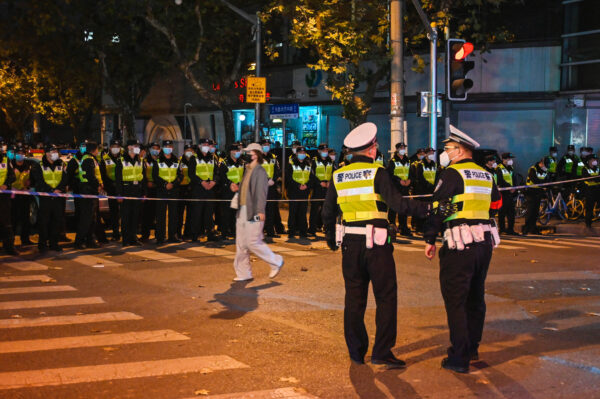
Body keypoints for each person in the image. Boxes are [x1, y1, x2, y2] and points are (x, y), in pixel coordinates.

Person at [322, 122, 435, 368]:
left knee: (354, 298)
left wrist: (332, 240)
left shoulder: (338, 175)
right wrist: (429, 208)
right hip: (377, 244)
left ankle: (356, 351)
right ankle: (382, 352)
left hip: (350, 243)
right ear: (372, 148)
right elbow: (399, 205)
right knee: (385, 297)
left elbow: (328, 211)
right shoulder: (378, 173)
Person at [423, 125, 502, 374]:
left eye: (447, 149)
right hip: (483, 242)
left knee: (456, 300)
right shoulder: (486, 174)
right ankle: (472, 347)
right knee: (475, 298)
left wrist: (429, 238)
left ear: (460, 150)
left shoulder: (451, 174)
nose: (444, 153)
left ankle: (458, 358)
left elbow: (438, 207)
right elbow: (497, 203)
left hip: (459, 243)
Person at [232, 143, 284, 281]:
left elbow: (261, 192)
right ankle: (244, 273)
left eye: (249, 153)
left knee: (253, 241)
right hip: (242, 210)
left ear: (256, 154)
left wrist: (260, 211)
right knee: (241, 244)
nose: (246, 155)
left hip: (253, 211)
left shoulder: (259, 171)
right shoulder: (248, 169)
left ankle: (276, 261)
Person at [32, 144, 67, 253]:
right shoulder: (39, 165)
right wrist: (50, 190)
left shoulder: (61, 164)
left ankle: (54, 243)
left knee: (56, 221)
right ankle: (42, 244)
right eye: (53, 151)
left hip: (58, 197)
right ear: (47, 153)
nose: (55, 153)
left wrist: (58, 189)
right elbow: (38, 181)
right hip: (46, 197)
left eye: (56, 151)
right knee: (44, 222)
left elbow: (65, 179)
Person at [189, 139, 220, 241]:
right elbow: (191, 174)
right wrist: (201, 182)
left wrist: (214, 182)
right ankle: (194, 235)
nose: (206, 146)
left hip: (210, 188)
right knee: (197, 213)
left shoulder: (212, 158)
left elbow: (217, 173)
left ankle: (210, 234)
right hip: (198, 188)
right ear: (199, 146)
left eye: (208, 144)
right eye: (204, 144)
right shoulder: (194, 158)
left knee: (209, 213)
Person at [115, 139, 144, 247]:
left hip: (136, 191)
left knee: (135, 216)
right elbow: (118, 179)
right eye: (134, 146)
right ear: (129, 147)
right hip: (125, 190)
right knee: (126, 216)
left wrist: (143, 193)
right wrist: (119, 194)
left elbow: (142, 177)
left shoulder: (139, 160)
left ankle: (133, 238)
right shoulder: (121, 160)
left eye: (137, 146)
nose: (137, 148)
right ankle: (125, 239)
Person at [75, 142, 103, 249]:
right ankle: (79, 241)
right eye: (97, 149)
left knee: (92, 218)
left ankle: (90, 240)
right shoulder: (88, 159)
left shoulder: (89, 158)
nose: (98, 151)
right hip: (88, 191)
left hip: (89, 191)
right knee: (86, 219)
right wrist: (98, 185)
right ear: (93, 150)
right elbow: (91, 176)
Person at [153, 140, 181, 245]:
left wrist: (173, 183)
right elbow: (155, 176)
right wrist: (165, 184)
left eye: (170, 146)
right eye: (166, 146)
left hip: (174, 190)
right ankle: (160, 237)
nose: (168, 148)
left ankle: (172, 235)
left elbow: (180, 175)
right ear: (162, 148)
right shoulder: (158, 161)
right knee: (161, 215)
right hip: (162, 191)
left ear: (172, 148)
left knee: (174, 214)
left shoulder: (177, 161)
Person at [219, 144, 245, 239]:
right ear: (230, 152)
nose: (237, 153)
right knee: (226, 213)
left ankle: (235, 232)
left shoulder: (242, 162)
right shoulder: (225, 163)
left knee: (237, 213)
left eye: (238, 151)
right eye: (235, 151)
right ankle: (224, 233)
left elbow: (245, 175)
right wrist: (230, 184)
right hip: (228, 191)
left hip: (239, 190)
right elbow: (222, 176)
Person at [286, 146, 312, 238]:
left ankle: (303, 231)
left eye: (304, 153)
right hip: (294, 191)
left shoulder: (308, 164)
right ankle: (291, 231)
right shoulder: (291, 164)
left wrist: (307, 185)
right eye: (300, 153)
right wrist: (298, 185)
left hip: (304, 192)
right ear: (296, 154)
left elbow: (311, 177)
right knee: (293, 212)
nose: (302, 154)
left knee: (303, 212)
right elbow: (288, 178)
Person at [386, 143, 412, 236]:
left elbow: (410, 172)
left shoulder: (408, 160)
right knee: (393, 209)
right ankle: (391, 227)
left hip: (405, 188)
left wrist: (409, 180)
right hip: (396, 188)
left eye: (404, 148)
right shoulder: (392, 161)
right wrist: (398, 180)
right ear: (397, 149)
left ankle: (403, 227)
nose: (403, 149)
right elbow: (389, 174)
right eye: (401, 148)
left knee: (404, 209)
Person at [261, 139, 284, 238]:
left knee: (270, 210)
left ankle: (270, 231)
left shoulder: (273, 157)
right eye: (265, 144)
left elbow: (277, 170)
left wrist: (273, 180)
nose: (267, 146)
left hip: (271, 186)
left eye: (268, 144)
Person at [308, 143, 333, 237]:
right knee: (314, 210)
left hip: (327, 189)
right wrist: (319, 183)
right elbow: (311, 174)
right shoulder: (314, 161)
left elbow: (334, 172)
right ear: (319, 151)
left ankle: (326, 228)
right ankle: (312, 229)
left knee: (327, 210)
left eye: (327, 151)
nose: (325, 152)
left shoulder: (330, 161)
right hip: (317, 188)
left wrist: (330, 182)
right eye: (323, 151)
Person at [412, 147, 438, 233]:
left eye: (432, 153)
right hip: (423, 191)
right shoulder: (420, 164)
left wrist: (435, 187)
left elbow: (437, 176)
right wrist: (428, 185)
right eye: (430, 153)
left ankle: (428, 227)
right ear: (426, 154)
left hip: (432, 191)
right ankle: (419, 227)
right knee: (421, 210)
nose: (431, 155)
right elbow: (420, 178)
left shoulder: (434, 164)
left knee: (430, 210)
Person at [11, 146, 33, 246]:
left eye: (22, 153)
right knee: (13, 219)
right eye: (18, 153)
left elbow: (32, 179)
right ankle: (11, 240)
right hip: (13, 196)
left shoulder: (28, 166)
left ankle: (25, 239)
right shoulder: (10, 165)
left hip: (25, 195)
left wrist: (29, 184)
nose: (20, 155)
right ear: (15, 155)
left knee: (25, 219)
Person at [101, 139, 122, 241]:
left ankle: (125, 232)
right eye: (113, 146)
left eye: (117, 147)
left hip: (122, 188)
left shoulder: (123, 157)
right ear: (110, 148)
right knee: (114, 213)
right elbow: (103, 175)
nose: (115, 149)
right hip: (111, 189)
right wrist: (109, 185)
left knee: (124, 212)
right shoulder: (104, 159)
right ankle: (115, 233)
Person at [523, 158, 549, 235]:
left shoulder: (545, 170)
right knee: (530, 212)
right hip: (530, 192)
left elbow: (546, 180)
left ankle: (533, 228)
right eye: (545, 165)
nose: (546, 167)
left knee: (535, 212)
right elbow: (534, 179)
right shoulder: (533, 169)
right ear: (541, 163)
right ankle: (526, 229)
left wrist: (545, 186)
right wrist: (542, 185)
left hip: (538, 192)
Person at [141, 142, 160, 242]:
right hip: (148, 189)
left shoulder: (161, 160)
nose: (155, 150)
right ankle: (145, 235)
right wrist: (147, 183)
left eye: (157, 148)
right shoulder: (145, 161)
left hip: (159, 189)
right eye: (153, 148)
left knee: (159, 214)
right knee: (147, 214)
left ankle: (159, 235)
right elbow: (142, 175)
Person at [0, 147, 17, 255]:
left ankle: (9, 247)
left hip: (3, 197)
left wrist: (6, 184)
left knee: (6, 223)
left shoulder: (6, 160)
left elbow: (12, 176)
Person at [496, 153, 518, 235]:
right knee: (502, 212)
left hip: (510, 193)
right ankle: (502, 229)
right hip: (503, 193)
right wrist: (509, 187)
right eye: (508, 159)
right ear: (504, 159)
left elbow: (514, 178)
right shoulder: (499, 168)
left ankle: (510, 229)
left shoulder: (511, 168)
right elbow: (500, 180)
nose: (510, 160)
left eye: (510, 159)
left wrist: (514, 188)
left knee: (511, 212)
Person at [177, 145, 194, 240]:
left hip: (191, 189)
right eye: (187, 150)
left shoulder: (195, 161)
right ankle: (178, 233)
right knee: (179, 213)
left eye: (191, 150)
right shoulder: (180, 161)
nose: (189, 152)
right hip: (181, 189)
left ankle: (188, 233)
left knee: (190, 213)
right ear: (184, 151)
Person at [582, 154, 600, 229]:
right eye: (593, 160)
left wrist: (595, 179)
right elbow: (587, 178)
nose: (595, 161)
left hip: (598, 190)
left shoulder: (598, 168)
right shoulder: (585, 169)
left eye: (596, 160)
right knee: (589, 208)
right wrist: (595, 179)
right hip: (589, 191)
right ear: (589, 161)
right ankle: (588, 224)